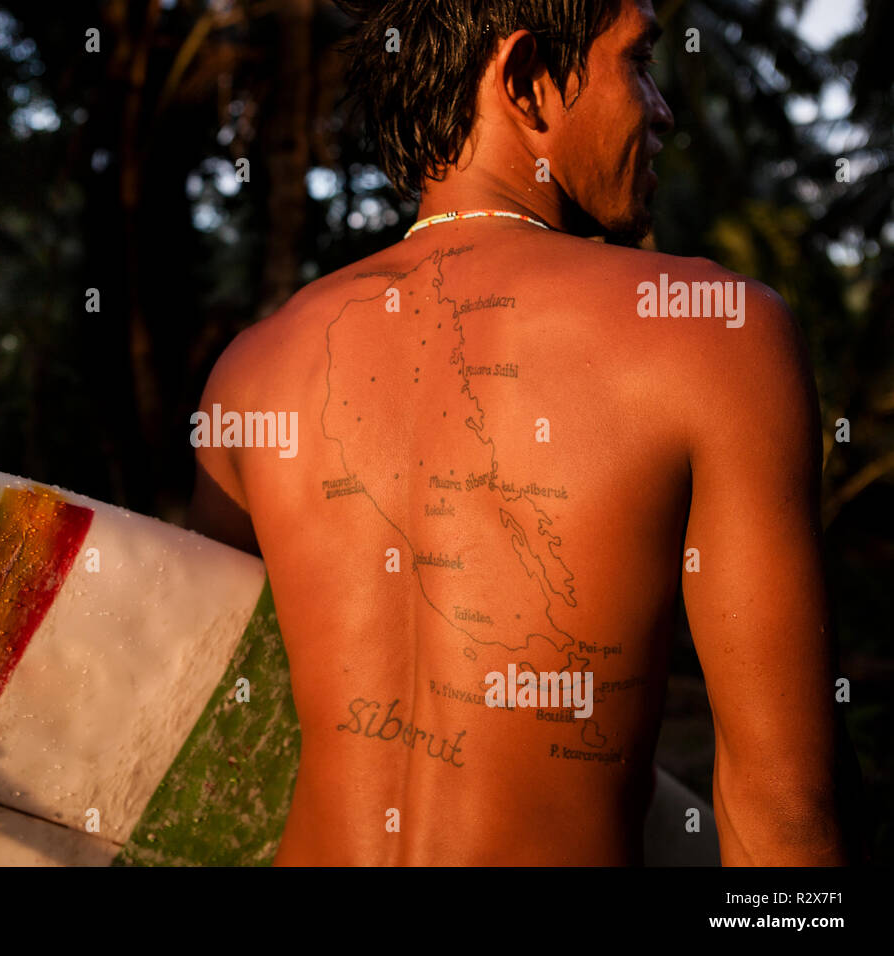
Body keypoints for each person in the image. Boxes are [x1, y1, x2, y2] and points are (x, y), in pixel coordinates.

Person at [188, 0, 846, 865]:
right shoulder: (715, 334)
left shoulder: (250, 370)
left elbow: (219, 739)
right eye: (638, 59)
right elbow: (788, 813)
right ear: (528, 79)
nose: (661, 106)